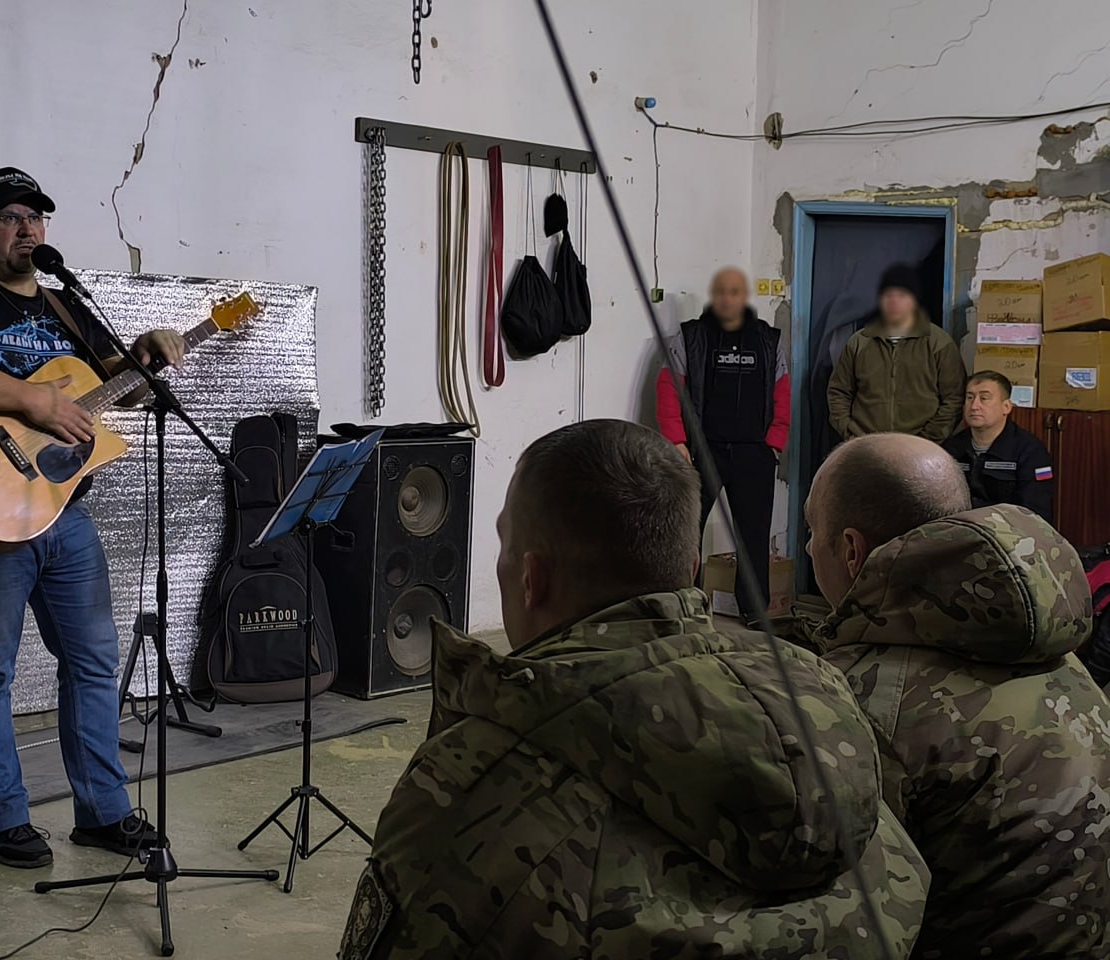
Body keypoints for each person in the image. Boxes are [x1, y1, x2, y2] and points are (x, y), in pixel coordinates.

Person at [339, 420, 928, 960]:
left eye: (504, 543)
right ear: (692, 563)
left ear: (529, 580)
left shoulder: (467, 779)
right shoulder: (827, 709)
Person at [0, 167, 185, 868]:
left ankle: (104, 814)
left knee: (91, 663)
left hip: (64, 515)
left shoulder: (65, 308)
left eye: (36, 216)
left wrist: (144, 358)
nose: (26, 228)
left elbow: (103, 391)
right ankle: (3, 821)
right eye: (9, 216)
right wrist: (29, 403)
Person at [804, 433, 1110, 959]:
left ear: (851, 551)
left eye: (813, 530)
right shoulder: (1053, 650)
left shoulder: (863, 700)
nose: (809, 547)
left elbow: (835, 913)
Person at [655, 267, 789, 620]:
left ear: (744, 297)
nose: (728, 299)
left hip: (754, 454)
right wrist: (676, 441)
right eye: (722, 292)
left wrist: (775, 441)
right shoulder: (691, 337)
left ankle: (754, 610)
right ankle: (684, 607)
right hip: (701, 453)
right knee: (686, 532)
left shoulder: (767, 340)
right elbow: (669, 387)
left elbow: (783, 392)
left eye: (735, 292)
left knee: (753, 536)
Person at [827, 264, 964, 442]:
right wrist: (850, 432)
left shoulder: (938, 342)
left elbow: (954, 398)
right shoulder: (860, 342)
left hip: (921, 447)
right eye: (888, 295)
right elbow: (839, 391)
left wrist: (929, 438)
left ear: (914, 300)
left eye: (902, 295)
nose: (894, 301)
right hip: (867, 445)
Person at [942, 370, 1054, 522]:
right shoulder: (951, 449)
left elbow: (1035, 512)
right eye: (969, 398)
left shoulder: (1030, 451)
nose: (974, 406)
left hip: (1009, 535)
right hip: (959, 532)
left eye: (984, 398)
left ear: (1006, 407)